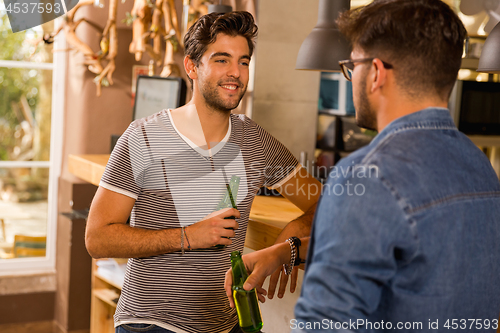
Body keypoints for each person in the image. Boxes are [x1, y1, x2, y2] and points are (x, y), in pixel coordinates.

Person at [225, 1, 500, 332]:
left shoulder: (365, 175)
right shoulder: (481, 168)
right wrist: (290, 250)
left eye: (351, 65)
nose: (349, 77)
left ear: (376, 73)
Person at [85, 11, 321, 333]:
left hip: (226, 323)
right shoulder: (144, 137)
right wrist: (187, 237)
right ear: (192, 67)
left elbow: (323, 202)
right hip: (153, 323)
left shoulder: (254, 140)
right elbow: (97, 238)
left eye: (243, 62)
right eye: (222, 60)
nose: (236, 73)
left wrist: (281, 247)